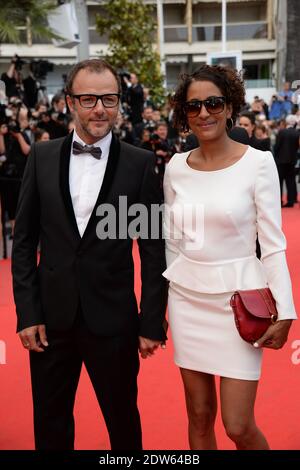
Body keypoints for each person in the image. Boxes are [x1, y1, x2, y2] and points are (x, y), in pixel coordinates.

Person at [12, 59, 168, 450]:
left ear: (119, 103)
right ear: (69, 102)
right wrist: (28, 313)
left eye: (109, 99)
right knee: (50, 424)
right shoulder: (42, 157)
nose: (100, 108)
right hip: (50, 321)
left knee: (123, 425)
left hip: (113, 321)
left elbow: (151, 250)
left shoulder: (139, 163)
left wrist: (151, 322)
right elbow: (25, 242)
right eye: (88, 98)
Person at [163, 65, 297, 450]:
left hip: (240, 303)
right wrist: (165, 301)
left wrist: (286, 309)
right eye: (193, 106)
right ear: (183, 114)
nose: (203, 113)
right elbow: (173, 239)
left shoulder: (258, 163)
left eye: (213, 103)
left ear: (230, 105)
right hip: (188, 300)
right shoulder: (175, 168)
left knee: (237, 425)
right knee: (200, 416)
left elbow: (272, 243)